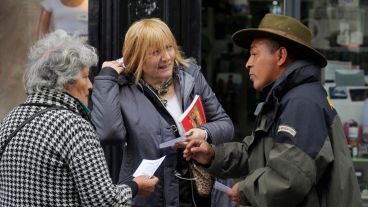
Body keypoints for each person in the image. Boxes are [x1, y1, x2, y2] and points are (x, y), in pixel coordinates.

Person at [183, 13, 362, 207]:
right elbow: (255, 154)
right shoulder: (284, 98)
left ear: (280, 55)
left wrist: (246, 191)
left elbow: (290, 178)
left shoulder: (302, 102)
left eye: (254, 53)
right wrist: (212, 155)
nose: (248, 63)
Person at [0, 30, 158, 206]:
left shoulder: (10, 120)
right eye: (85, 77)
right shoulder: (73, 127)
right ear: (67, 81)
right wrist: (135, 186)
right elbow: (103, 202)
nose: (90, 85)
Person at [91, 18, 234, 207]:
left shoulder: (190, 77)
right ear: (137, 55)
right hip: (151, 196)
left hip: (197, 193)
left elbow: (226, 125)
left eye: (169, 48)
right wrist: (105, 79)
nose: (166, 57)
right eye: (156, 52)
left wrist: (204, 132)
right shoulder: (124, 89)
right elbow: (109, 133)